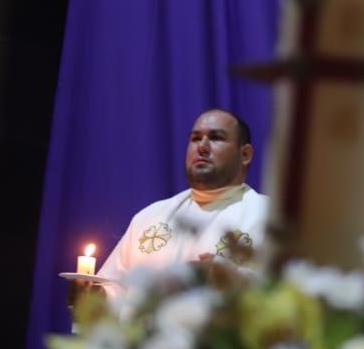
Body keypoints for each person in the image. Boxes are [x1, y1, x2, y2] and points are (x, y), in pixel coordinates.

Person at [100, 108, 270, 286]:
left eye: (216, 138)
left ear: (245, 154)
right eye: (195, 138)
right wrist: (91, 297)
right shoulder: (149, 217)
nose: (202, 147)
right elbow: (113, 287)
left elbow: (284, 294)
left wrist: (224, 276)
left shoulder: (267, 216)